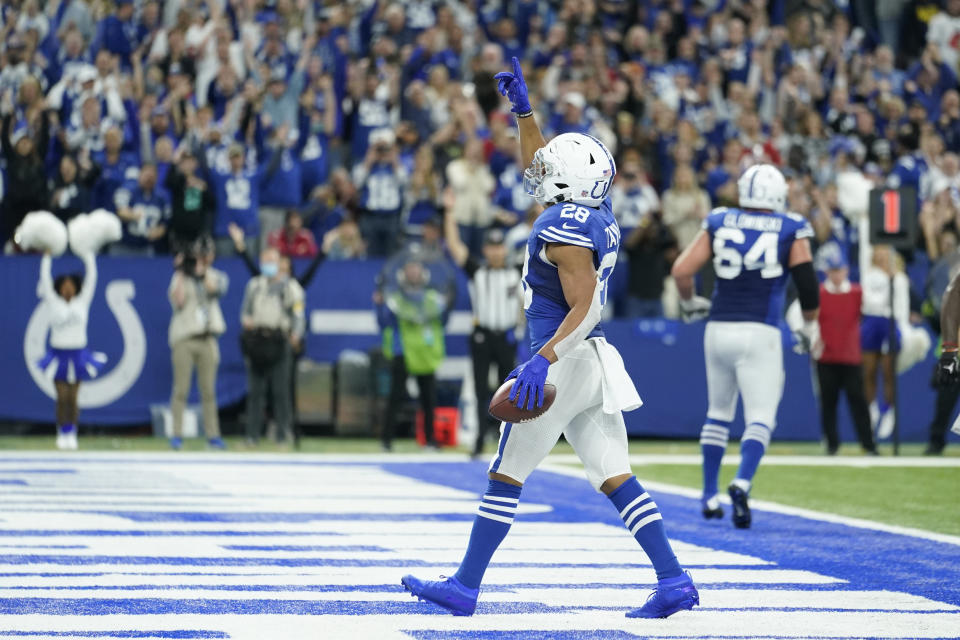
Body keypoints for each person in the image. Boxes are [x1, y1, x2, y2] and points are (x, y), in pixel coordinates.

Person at [401, 57, 698, 620]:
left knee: (504, 474)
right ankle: (673, 578)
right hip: (591, 364)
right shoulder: (596, 213)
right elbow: (543, 168)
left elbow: (585, 307)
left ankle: (465, 586)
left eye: (550, 170)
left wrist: (542, 360)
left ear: (570, 182)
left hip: (561, 361)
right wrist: (525, 113)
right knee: (615, 475)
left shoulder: (559, 229)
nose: (537, 172)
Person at [670, 164, 820, 529]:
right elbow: (808, 286)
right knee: (761, 417)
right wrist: (811, 326)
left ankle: (708, 494)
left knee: (718, 412)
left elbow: (681, 271)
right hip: (760, 331)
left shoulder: (721, 218)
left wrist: (690, 303)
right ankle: (741, 481)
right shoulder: (791, 226)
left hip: (718, 327)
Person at [443, 204, 520, 458]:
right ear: (486, 249)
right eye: (492, 247)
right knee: (479, 389)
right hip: (482, 336)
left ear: (505, 249)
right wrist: (449, 213)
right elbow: (455, 248)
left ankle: (506, 441)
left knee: (507, 390)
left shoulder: (516, 273)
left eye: (500, 247)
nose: (496, 252)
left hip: (506, 335)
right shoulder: (477, 272)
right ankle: (478, 439)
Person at [36, 250, 106, 450]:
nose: (68, 288)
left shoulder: (82, 302)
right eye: (64, 285)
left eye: (71, 285)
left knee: (74, 398)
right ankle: (61, 431)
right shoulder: (53, 303)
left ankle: (72, 431)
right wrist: (46, 257)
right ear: (59, 288)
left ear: (76, 287)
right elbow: (44, 279)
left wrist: (89, 256)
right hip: (59, 354)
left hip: (77, 354)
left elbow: (92, 279)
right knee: (61, 396)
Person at [379, 257, 448, 452]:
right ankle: (386, 440)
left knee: (428, 399)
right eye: (409, 268)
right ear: (403, 273)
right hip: (403, 351)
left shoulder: (433, 298)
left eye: (416, 268)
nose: (413, 272)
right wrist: (379, 304)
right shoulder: (395, 300)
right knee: (395, 397)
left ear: (423, 273)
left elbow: (443, 320)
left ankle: (430, 440)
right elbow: (384, 322)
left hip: (425, 353)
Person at [240, 246, 306, 446]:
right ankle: (252, 436)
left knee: (280, 391)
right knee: (255, 391)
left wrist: (296, 334)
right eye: (264, 260)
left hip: (279, 340)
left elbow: (299, 313)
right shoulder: (254, 285)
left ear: (280, 263)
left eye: (271, 260)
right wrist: (247, 321)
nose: (267, 264)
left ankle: (282, 435)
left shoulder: (290, 287)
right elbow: (245, 311)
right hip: (258, 339)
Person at [167, 241, 228, 450]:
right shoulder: (179, 277)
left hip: (207, 338)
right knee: (181, 389)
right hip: (185, 337)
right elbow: (179, 301)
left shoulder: (215, 275)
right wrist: (182, 272)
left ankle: (213, 435)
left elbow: (215, 290)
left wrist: (202, 275)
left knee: (208, 390)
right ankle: (176, 434)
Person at [815, 254, 877, 455]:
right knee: (828, 403)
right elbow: (802, 319)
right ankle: (832, 445)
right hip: (826, 358)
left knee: (859, 402)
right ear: (826, 272)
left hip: (850, 358)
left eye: (839, 270)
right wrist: (812, 340)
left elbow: (869, 315)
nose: (836, 275)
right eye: (833, 271)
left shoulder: (857, 293)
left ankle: (868, 444)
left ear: (846, 271)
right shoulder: (819, 293)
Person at [860, 245, 910, 440]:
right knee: (869, 371)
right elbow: (868, 302)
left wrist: (903, 332)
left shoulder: (899, 279)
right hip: (871, 322)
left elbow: (902, 309)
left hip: (890, 323)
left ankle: (889, 410)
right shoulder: (868, 276)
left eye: (885, 256)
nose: (881, 259)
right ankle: (871, 410)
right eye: (878, 256)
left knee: (888, 372)